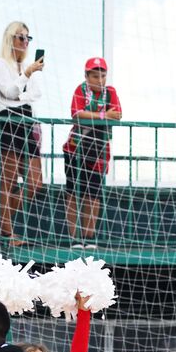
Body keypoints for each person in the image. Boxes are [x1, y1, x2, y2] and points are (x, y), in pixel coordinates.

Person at [0, 21, 43, 248]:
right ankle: (7, 230)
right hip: (8, 122)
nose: (24, 42)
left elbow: (35, 94)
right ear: (10, 38)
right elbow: (8, 92)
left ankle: (0, 221)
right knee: (9, 181)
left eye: (27, 38)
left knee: (35, 182)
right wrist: (26, 76)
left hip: (26, 121)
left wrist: (24, 80)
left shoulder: (24, 67)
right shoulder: (0, 64)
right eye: (21, 37)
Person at [62, 57, 122, 250]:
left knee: (93, 194)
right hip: (75, 148)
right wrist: (103, 116)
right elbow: (77, 113)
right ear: (86, 76)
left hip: (99, 150)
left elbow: (118, 114)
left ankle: (89, 237)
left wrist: (96, 117)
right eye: (95, 76)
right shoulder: (80, 90)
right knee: (73, 192)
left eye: (102, 75)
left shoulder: (110, 92)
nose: (99, 80)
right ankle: (74, 238)